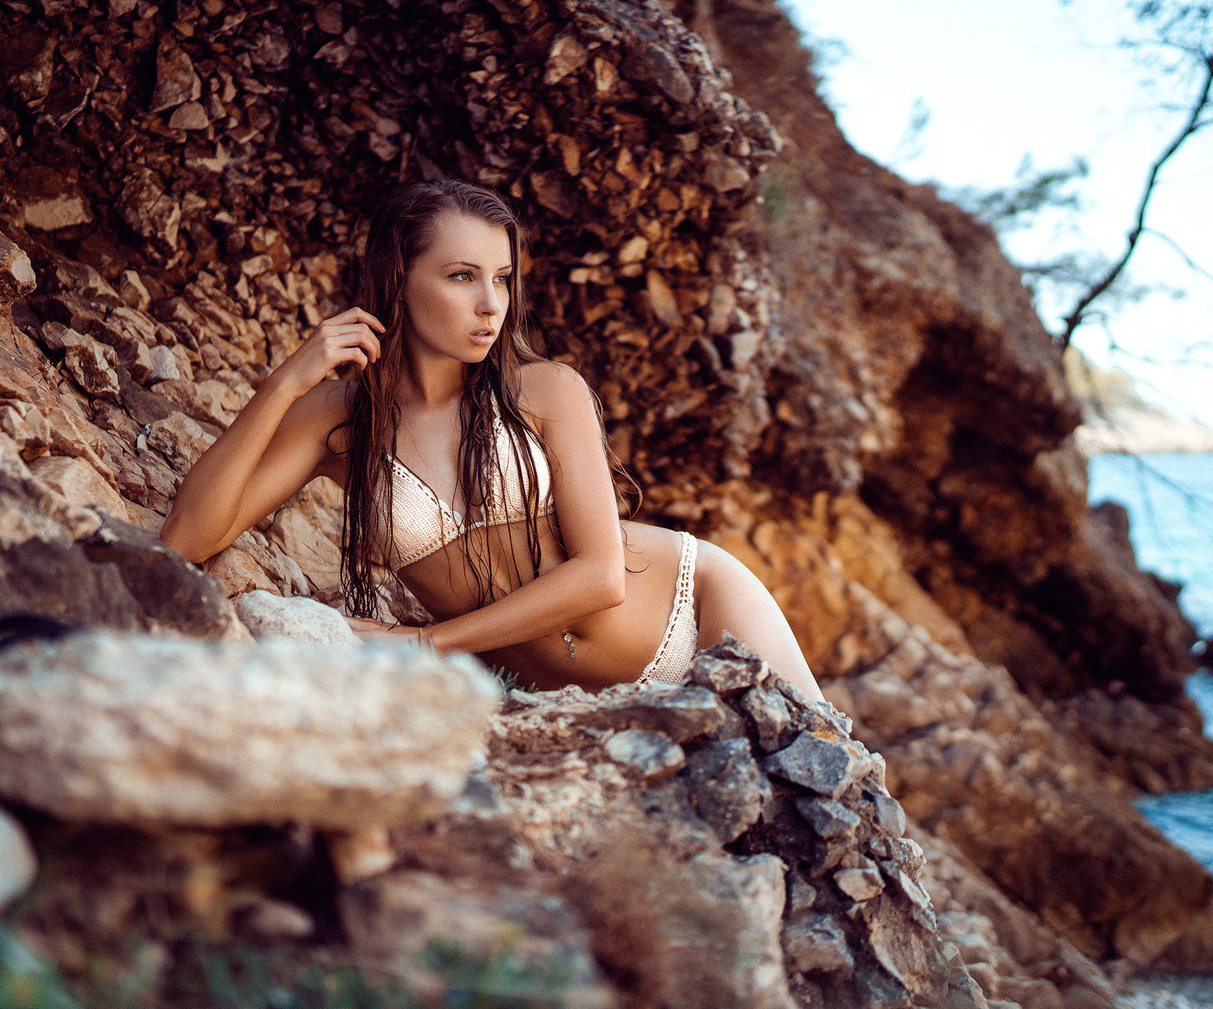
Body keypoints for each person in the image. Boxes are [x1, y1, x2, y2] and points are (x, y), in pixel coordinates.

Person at [161, 179, 824, 699]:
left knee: (830, 809)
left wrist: (425, 643)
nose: (490, 304)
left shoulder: (544, 390)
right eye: (461, 276)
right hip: (581, 701)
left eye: (501, 278)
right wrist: (282, 388)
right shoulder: (339, 420)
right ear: (399, 278)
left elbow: (600, 578)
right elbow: (187, 540)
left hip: (698, 609)